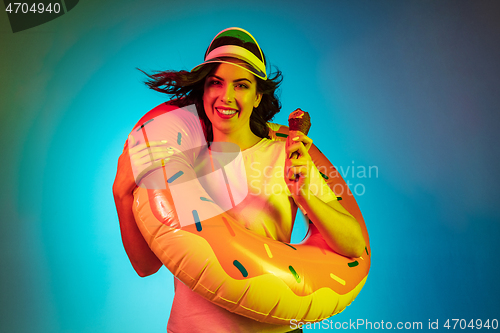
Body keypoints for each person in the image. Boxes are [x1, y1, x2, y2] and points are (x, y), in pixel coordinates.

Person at [113, 27, 365, 333]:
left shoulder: (286, 155)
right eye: (215, 83)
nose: (226, 96)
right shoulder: (179, 163)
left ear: (258, 96)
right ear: (203, 91)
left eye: (241, 85)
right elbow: (145, 266)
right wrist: (122, 195)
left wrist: (305, 194)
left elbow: (353, 247)